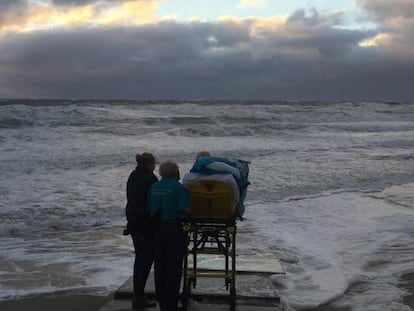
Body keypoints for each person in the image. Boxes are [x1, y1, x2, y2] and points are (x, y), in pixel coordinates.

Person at [147, 161, 190, 311]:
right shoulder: (178, 188)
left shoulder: (154, 187)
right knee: (174, 267)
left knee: (160, 266)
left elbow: (149, 207)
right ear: (175, 172)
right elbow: (186, 208)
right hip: (174, 230)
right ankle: (171, 303)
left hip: (156, 230)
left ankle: (162, 300)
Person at [125, 152, 158, 309]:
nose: (155, 166)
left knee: (140, 258)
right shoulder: (150, 179)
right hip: (144, 223)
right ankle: (139, 296)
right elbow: (153, 202)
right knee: (144, 260)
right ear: (150, 164)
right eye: (154, 163)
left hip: (132, 221)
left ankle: (138, 294)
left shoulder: (133, 175)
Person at [182, 151, 249, 217]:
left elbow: (185, 194)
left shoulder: (189, 178)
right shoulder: (227, 178)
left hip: (198, 209)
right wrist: (235, 205)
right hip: (223, 210)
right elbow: (236, 195)